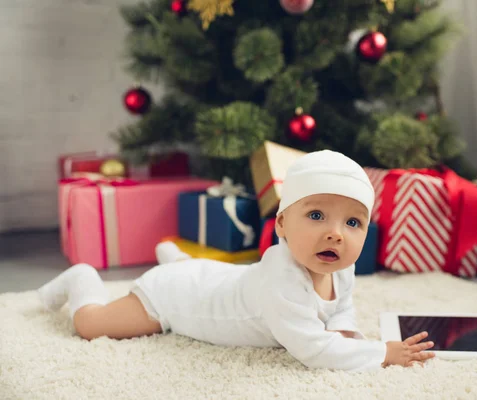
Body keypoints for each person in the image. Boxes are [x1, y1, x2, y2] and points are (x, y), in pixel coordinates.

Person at [38, 150, 435, 372]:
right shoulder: (282, 276)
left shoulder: (340, 266)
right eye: (316, 215)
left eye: (353, 222)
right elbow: (312, 349)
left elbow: (341, 310)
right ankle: (81, 277)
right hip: (175, 299)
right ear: (281, 224)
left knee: (208, 275)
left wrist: (347, 333)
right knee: (91, 325)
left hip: (210, 278)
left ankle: (174, 259)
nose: (336, 233)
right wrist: (380, 353)